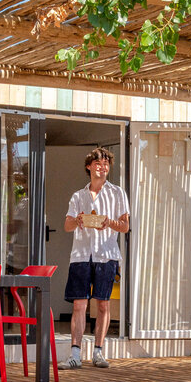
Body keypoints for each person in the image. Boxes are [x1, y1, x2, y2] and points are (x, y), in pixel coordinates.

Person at [62, 146, 130, 369]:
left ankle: (98, 352)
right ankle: (75, 354)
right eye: (98, 164)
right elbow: (67, 226)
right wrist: (79, 220)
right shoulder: (78, 196)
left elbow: (125, 227)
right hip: (81, 255)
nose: (102, 167)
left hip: (107, 255)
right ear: (89, 167)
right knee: (79, 305)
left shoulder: (117, 193)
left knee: (103, 305)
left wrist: (108, 222)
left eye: (106, 164)